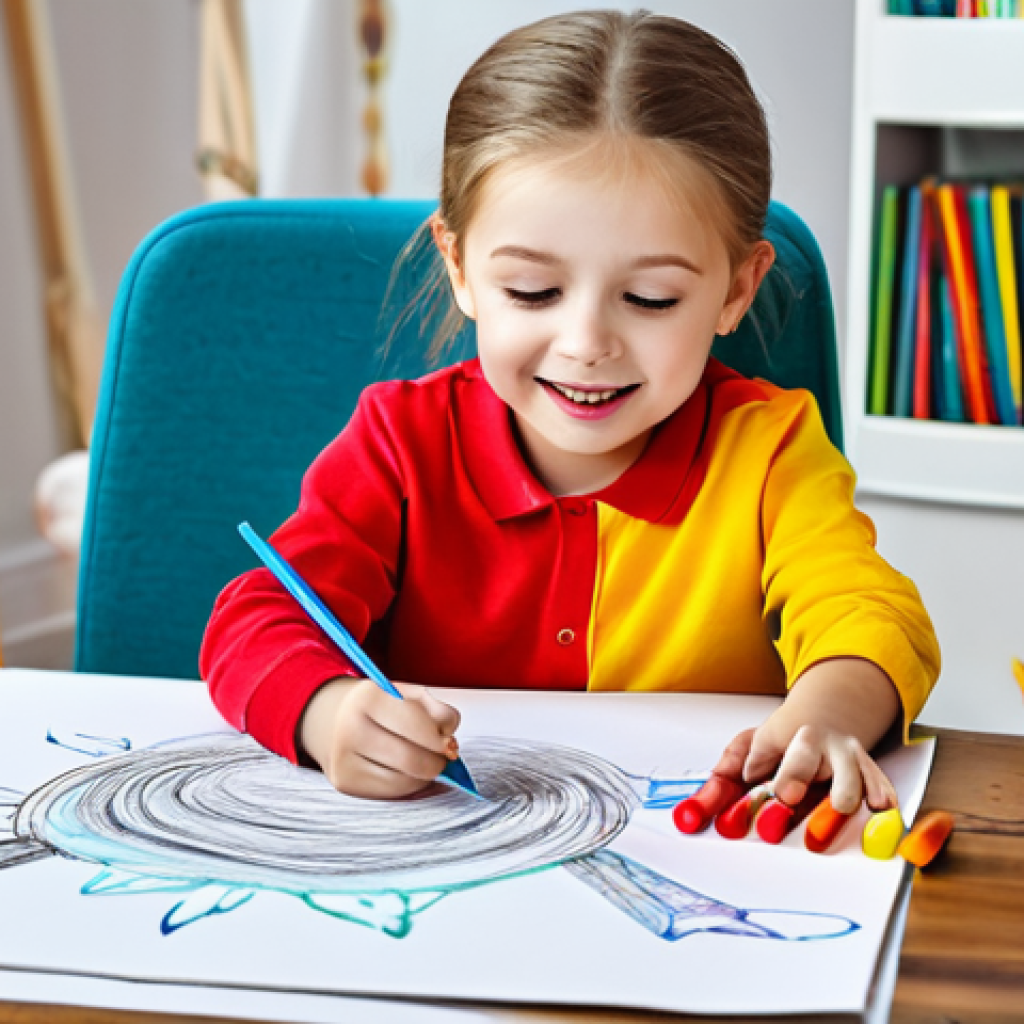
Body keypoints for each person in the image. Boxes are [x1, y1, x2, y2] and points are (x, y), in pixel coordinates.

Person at [200, 10, 940, 814]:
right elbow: (258, 620)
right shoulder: (398, 442)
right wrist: (327, 714)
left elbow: (869, 616)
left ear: (736, 290)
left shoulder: (770, 449)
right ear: (459, 266)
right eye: (533, 291)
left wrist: (828, 713)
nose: (587, 344)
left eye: (649, 299)